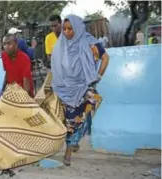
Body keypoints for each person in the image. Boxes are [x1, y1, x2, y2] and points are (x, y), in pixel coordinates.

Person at [51, 15, 109, 166]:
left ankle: (69, 150)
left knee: (86, 109)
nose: (67, 32)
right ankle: (73, 142)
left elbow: (105, 58)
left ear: (77, 28)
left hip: (85, 87)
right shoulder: (61, 45)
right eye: (64, 29)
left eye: (70, 29)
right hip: (67, 89)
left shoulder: (89, 42)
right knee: (71, 120)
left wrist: (98, 76)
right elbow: (56, 67)